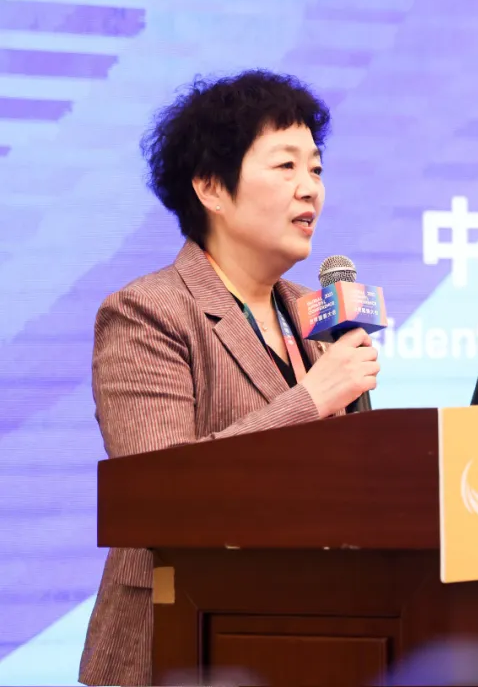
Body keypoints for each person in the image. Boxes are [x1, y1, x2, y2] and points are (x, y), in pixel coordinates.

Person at [77, 70, 380, 686]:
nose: (310, 189)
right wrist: (310, 400)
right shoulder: (147, 312)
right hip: (181, 635)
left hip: (310, 628)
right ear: (211, 187)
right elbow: (159, 489)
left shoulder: (312, 312)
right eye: (286, 167)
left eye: (316, 169)